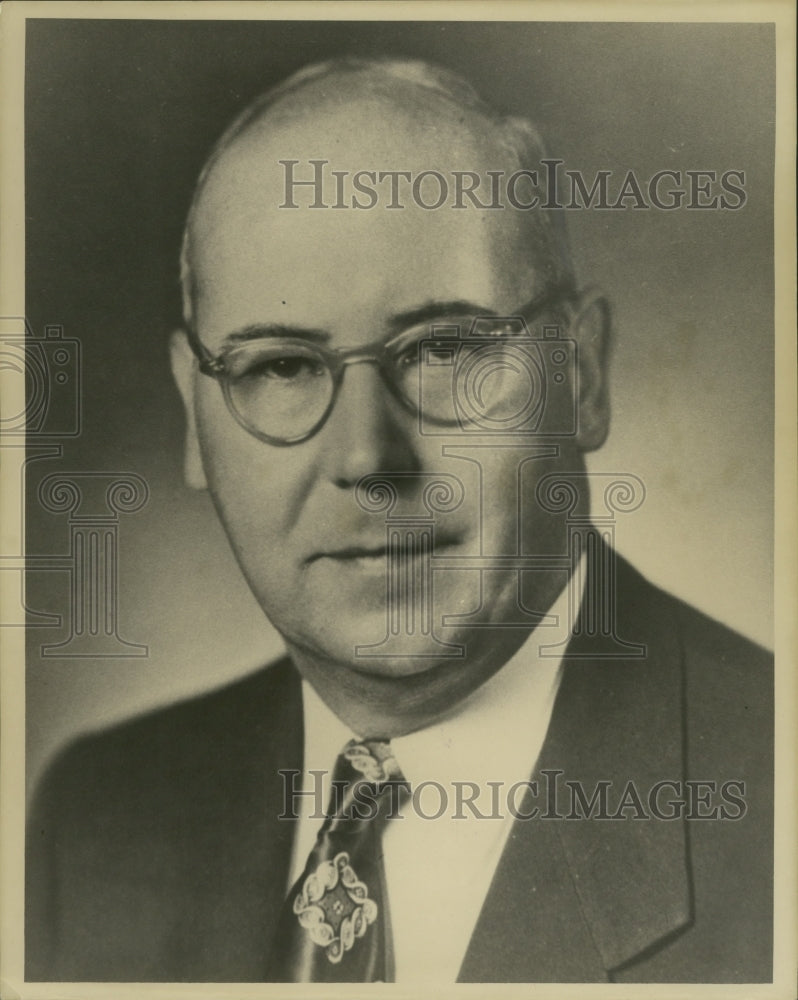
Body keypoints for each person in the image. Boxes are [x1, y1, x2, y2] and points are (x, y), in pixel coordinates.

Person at [26, 57, 773, 984]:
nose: (370, 460)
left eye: (445, 349)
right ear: (194, 410)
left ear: (579, 377)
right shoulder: (94, 825)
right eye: (283, 367)